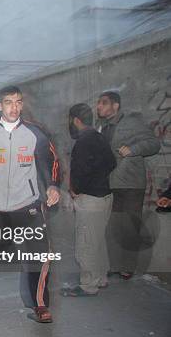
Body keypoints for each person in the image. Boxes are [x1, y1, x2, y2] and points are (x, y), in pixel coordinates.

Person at [0, 85, 61, 323]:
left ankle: (39, 304)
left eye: (18, 102)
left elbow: (51, 162)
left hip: (28, 205)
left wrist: (53, 185)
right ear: (0, 106)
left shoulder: (35, 133)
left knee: (39, 255)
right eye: (9, 102)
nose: (14, 107)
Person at [95, 91, 161, 279]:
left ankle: (128, 267)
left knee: (130, 228)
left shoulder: (131, 122)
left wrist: (133, 150)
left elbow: (154, 143)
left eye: (103, 103)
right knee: (114, 228)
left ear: (115, 106)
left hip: (131, 184)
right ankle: (115, 265)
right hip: (111, 184)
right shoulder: (103, 127)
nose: (99, 106)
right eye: (98, 103)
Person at [63, 103, 116, 297]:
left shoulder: (84, 141)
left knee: (86, 243)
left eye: (69, 120)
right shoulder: (99, 137)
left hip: (91, 199)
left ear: (76, 120)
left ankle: (88, 285)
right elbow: (112, 162)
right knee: (98, 241)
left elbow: (81, 171)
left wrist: (76, 189)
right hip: (105, 196)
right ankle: (100, 278)